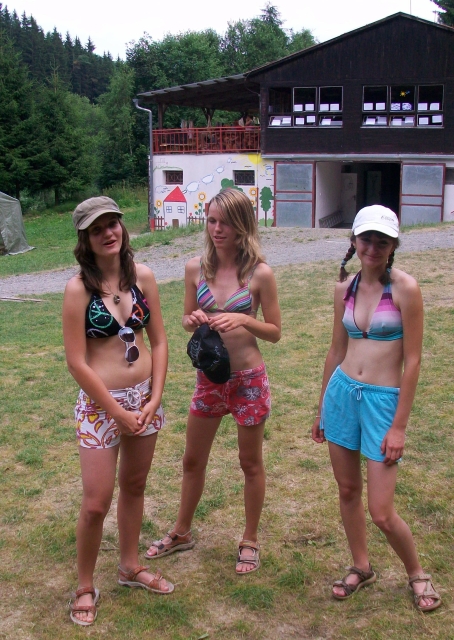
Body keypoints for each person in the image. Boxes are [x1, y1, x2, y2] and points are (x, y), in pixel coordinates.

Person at [311, 205, 441, 612]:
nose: (372, 247)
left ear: (393, 246)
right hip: (342, 395)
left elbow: (413, 361)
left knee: (382, 512)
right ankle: (361, 566)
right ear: (354, 241)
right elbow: (336, 349)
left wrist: (399, 426)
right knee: (348, 490)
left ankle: (417, 573)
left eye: (382, 241)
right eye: (366, 238)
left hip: (383, 403)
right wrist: (321, 408)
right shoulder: (343, 289)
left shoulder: (406, 289)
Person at [145, 188, 281, 573]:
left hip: (248, 379)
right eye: (212, 221)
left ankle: (250, 539)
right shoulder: (195, 269)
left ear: (242, 225)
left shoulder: (259, 273)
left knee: (250, 463)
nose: (217, 229)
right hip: (209, 378)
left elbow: (274, 332)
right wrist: (191, 320)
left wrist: (243, 318)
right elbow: (188, 318)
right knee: (192, 460)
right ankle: (182, 531)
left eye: (225, 222)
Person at [63, 196, 173, 627]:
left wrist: (155, 398)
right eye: (97, 229)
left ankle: (130, 565)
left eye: (113, 224)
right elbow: (77, 362)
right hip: (100, 405)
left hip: (143, 399)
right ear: (85, 239)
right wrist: (115, 411)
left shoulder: (142, 276)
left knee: (134, 485)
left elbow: (159, 341)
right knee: (96, 502)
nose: (108, 233)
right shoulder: (78, 289)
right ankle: (84, 585)